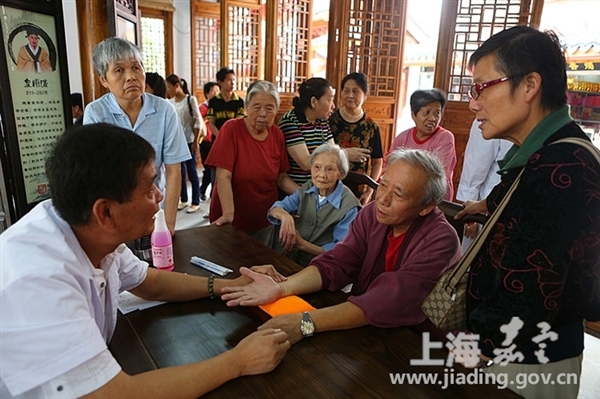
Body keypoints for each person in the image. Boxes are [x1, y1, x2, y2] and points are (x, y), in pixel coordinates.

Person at [0, 123, 290, 399]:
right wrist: (238, 361)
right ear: (106, 213)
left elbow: (150, 281)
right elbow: (115, 395)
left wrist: (229, 285)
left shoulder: (87, 229)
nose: (160, 195)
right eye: (150, 188)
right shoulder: (39, 281)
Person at [456, 26, 600, 399]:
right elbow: (522, 200)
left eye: (482, 87)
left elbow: (533, 281)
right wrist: (484, 205)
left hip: (528, 359)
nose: (474, 104)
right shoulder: (547, 152)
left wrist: (479, 347)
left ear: (529, 86)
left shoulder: (562, 167)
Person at [221, 148, 461, 344]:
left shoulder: (441, 240)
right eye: (383, 185)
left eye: (398, 194)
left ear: (426, 207)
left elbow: (390, 298)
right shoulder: (371, 215)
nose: (382, 199)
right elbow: (338, 261)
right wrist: (282, 288)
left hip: (416, 343)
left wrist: (305, 322)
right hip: (363, 325)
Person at [83, 37, 189, 235]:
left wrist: (168, 223)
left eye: (136, 68)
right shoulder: (96, 113)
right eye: (119, 70)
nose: (131, 76)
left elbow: (174, 170)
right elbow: (97, 174)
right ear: (103, 80)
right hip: (115, 213)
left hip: (155, 208)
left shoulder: (165, 110)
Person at [205, 81, 299, 237]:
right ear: (246, 107)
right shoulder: (231, 129)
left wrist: (307, 194)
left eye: (269, 108)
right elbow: (223, 176)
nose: (263, 113)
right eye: (257, 107)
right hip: (232, 219)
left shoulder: (277, 135)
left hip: (266, 217)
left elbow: (281, 178)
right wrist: (229, 213)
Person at [267, 143, 361, 266]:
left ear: (341, 174)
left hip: (323, 266)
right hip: (293, 259)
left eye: (330, 169)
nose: (322, 175)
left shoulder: (349, 206)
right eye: (317, 167)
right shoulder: (308, 187)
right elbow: (275, 209)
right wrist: (285, 216)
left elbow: (341, 250)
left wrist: (303, 245)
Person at [279, 78, 354, 186]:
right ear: (314, 101)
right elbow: (306, 163)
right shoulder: (290, 122)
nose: (333, 106)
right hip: (299, 192)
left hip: (322, 188)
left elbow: (332, 153)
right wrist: (346, 154)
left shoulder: (322, 121)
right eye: (329, 100)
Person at [389, 89, 456, 201]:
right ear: (413, 114)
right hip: (404, 197)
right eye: (426, 112)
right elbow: (391, 168)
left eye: (437, 113)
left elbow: (437, 175)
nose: (433, 118)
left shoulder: (445, 138)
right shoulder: (402, 138)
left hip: (434, 199)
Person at [456, 119, 511, 252]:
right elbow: (474, 170)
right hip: (486, 205)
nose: (474, 106)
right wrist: (470, 217)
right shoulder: (488, 117)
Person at [329, 72, 383, 205]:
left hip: (359, 191)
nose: (350, 95)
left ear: (365, 95)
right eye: (346, 90)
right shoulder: (330, 121)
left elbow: (377, 162)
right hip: (330, 186)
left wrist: (369, 192)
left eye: (355, 91)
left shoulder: (371, 126)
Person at [165, 74, 205, 214]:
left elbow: (198, 121)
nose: (167, 90)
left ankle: (195, 201)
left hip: (189, 141)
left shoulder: (190, 99)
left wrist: (196, 141)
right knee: (179, 172)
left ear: (177, 86)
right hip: (176, 142)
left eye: (169, 87)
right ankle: (183, 199)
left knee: (192, 172)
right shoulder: (169, 102)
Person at [199, 81, 220, 201]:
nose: (216, 93)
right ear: (207, 94)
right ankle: (202, 191)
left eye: (218, 91)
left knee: (213, 170)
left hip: (216, 141)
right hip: (206, 141)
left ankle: (206, 192)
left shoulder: (219, 107)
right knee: (208, 169)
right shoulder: (202, 108)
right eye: (213, 91)